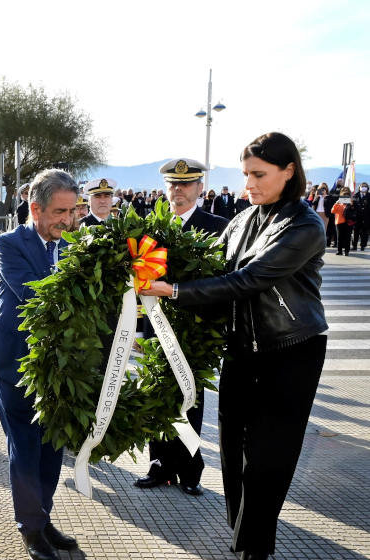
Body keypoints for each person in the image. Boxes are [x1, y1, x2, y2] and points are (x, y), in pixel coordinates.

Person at [142, 132, 327, 560]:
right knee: (231, 455)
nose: (250, 185)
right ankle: (243, 538)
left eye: (259, 175)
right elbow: (213, 271)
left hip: (291, 351)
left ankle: (254, 550)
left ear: (289, 171)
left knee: (267, 462)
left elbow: (249, 280)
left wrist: (173, 291)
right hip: (242, 350)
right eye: (246, 175)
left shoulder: (304, 225)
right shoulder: (243, 220)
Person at [0, 169, 81, 560]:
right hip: (16, 362)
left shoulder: (72, 242)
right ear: (35, 208)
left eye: (72, 212)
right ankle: (31, 530)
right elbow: (31, 292)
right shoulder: (10, 243)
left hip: (59, 366)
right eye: (59, 212)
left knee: (53, 446)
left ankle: (43, 518)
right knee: (24, 445)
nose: (67, 221)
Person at [133, 158, 228, 497]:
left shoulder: (218, 227)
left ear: (200, 188)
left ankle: (189, 469)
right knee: (157, 395)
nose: (179, 190)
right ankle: (160, 464)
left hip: (197, 332)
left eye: (186, 184)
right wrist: (140, 332)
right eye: (173, 184)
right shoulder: (151, 229)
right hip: (158, 328)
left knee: (191, 399)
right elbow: (140, 285)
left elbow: (223, 284)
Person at [330, 188, 354, 256]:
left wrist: (352, 204)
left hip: (348, 222)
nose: (345, 198)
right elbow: (332, 211)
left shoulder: (351, 204)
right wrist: (336, 203)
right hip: (339, 222)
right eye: (344, 197)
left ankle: (347, 251)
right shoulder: (339, 204)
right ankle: (339, 250)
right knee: (339, 237)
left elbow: (355, 211)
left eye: (347, 197)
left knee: (348, 237)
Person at [354, 183, 370, 250]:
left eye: (365, 186)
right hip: (357, 217)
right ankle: (354, 245)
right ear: (359, 187)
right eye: (362, 186)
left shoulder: (369, 196)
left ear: (367, 188)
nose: (364, 188)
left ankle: (363, 245)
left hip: (366, 217)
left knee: (365, 232)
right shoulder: (356, 195)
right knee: (356, 231)